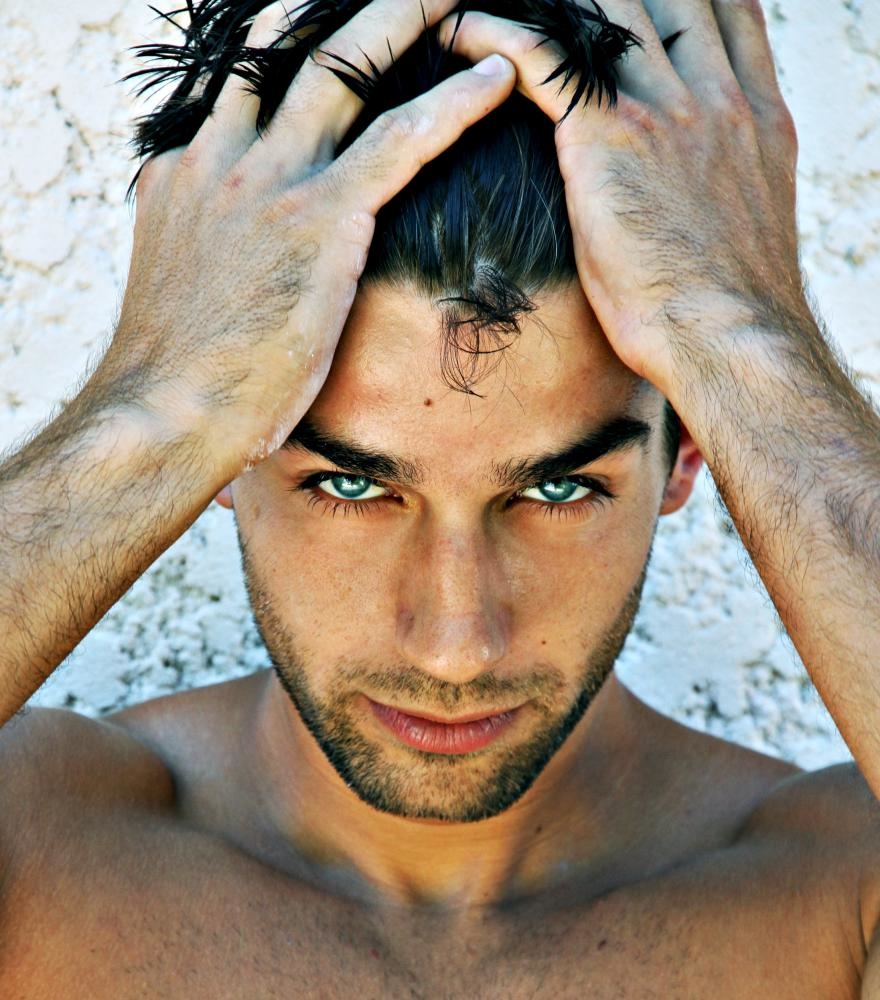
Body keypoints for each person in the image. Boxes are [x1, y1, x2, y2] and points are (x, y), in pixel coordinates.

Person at [1, 0, 879, 994]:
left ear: (689, 456)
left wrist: (742, 343)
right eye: (350, 483)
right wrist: (159, 405)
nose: (455, 646)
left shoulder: (837, 897)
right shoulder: (40, 846)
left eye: (557, 487)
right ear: (221, 458)